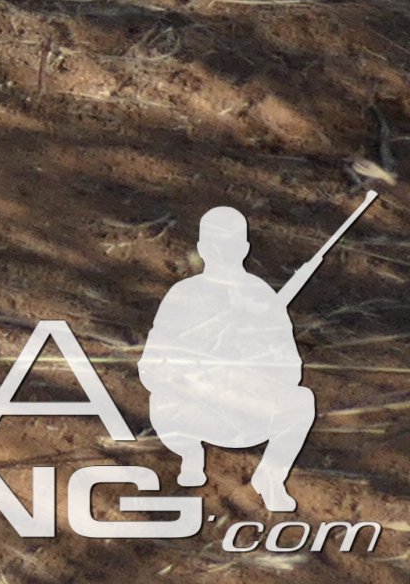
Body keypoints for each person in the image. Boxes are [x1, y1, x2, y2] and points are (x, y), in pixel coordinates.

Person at [139, 203, 324, 512]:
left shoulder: (262, 297)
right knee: (161, 398)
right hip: (190, 412)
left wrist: (252, 362)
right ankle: (190, 455)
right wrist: (192, 375)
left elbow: (290, 372)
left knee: (301, 401)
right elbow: (150, 369)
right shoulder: (183, 295)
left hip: (243, 415)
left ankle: (270, 477)